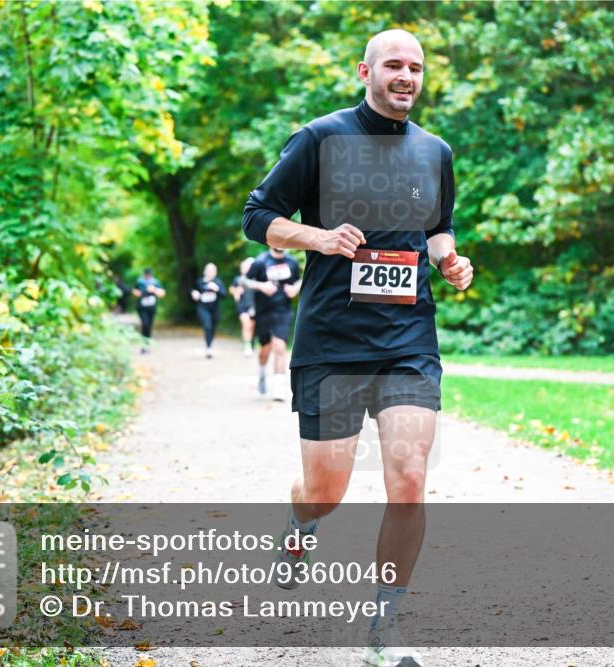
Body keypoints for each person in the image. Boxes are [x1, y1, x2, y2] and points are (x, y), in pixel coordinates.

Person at [242, 29, 473, 667]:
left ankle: (385, 625)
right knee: (326, 489)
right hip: (331, 343)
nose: (406, 75)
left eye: (416, 67)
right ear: (364, 70)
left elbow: (437, 228)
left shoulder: (436, 152)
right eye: (393, 65)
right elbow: (258, 215)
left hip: (407, 341)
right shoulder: (320, 139)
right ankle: (301, 525)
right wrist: (318, 237)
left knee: (409, 479)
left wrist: (451, 261)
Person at [242, 247, 301, 401]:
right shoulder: (261, 261)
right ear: (270, 241)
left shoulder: (292, 262)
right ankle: (262, 372)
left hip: (283, 311)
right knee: (265, 349)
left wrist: (295, 288)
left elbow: (301, 279)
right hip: (263, 312)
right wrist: (261, 286)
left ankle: (278, 389)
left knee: (279, 346)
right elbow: (245, 280)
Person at [191, 262, 225, 358]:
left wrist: (216, 289)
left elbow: (224, 295)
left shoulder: (218, 282)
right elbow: (193, 290)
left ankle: (210, 344)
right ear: (205, 271)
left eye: (213, 271)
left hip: (215, 309)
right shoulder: (200, 282)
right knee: (207, 326)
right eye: (209, 270)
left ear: (216, 272)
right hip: (203, 308)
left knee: (213, 327)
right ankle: (208, 348)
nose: (211, 272)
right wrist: (194, 293)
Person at [132, 268, 166, 354]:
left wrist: (154, 290)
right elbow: (135, 292)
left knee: (149, 325)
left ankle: (147, 344)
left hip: (152, 307)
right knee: (145, 324)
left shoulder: (155, 282)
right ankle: (144, 345)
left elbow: (162, 293)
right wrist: (144, 291)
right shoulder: (140, 282)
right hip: (142, 307)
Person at [229, 257, 258, 357]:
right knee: (247, 325)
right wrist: (236, 291)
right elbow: (231, 288)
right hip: (242, 305)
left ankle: (251, 344)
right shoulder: (239, 279)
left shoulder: (256, 279)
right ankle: (247, 346)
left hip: (254, 306)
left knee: (252, 327)